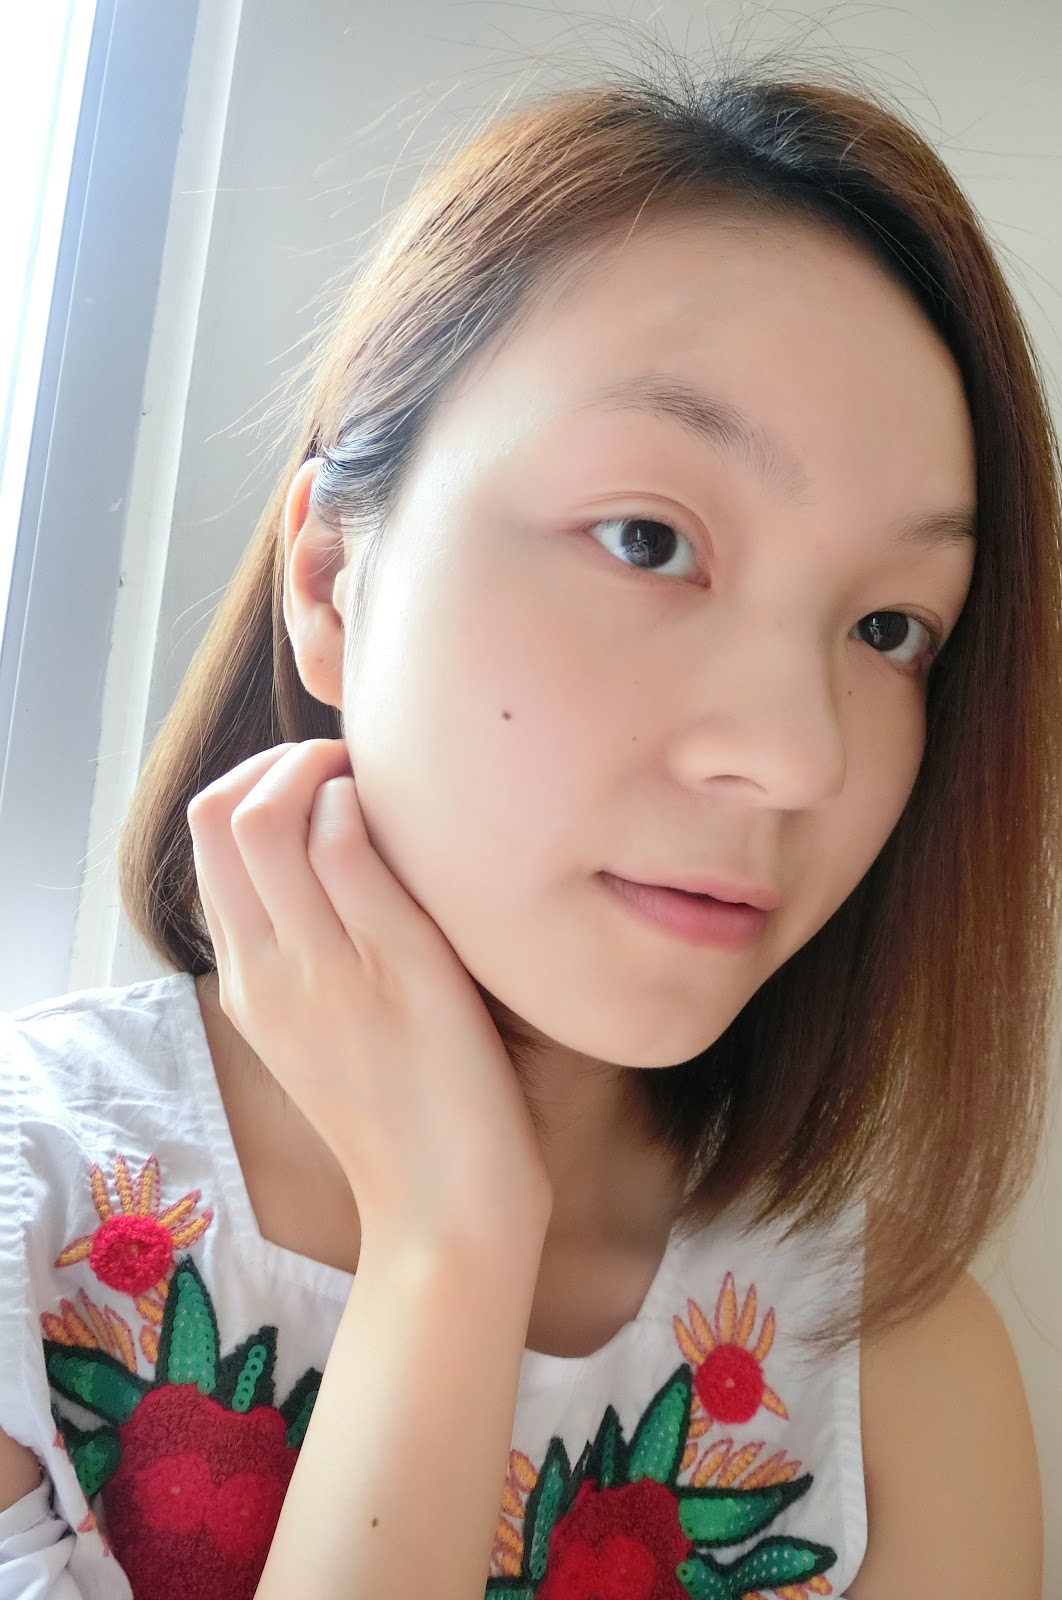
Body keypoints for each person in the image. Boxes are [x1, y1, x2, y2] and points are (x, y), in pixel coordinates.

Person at [0, 62, 1057, 1600]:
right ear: (330, 579)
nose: (794, 756)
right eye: (647, 539)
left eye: (888, 627)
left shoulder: (891, 1375)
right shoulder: (28, 1215)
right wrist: (450, 1238)